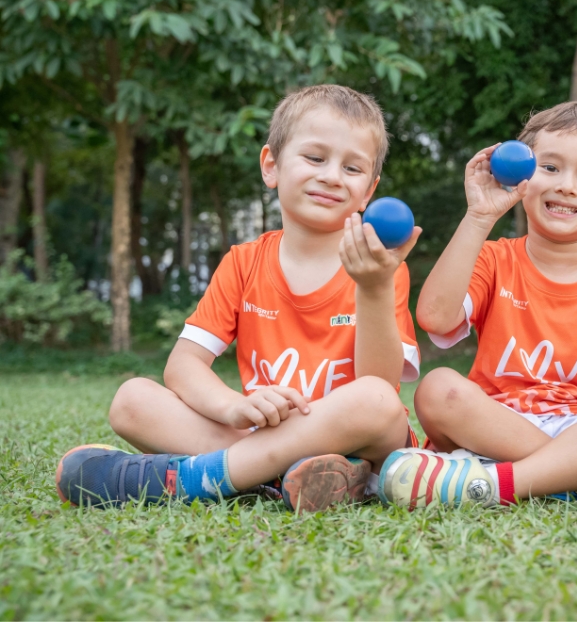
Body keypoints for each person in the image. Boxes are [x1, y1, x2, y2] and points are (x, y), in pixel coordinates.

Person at [56, 85, 422, 513]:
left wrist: (374, 287)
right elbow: (183, 366)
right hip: (259, 437)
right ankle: (292, 478)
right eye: (315, 158)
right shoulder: (244, 262)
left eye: (352, 168)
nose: (332, 176)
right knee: (132, 399)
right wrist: (232, 406)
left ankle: (196, 478)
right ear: (272, 166)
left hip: (363, 442)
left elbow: (380, 383)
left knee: (376, 401)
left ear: (369, 191)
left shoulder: (379, 267)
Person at [377, 101, 577, 509]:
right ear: (520, 176)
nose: (566, 185)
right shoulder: (494, 258)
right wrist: (478, 217)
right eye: (550, 168)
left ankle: (495, 482)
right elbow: (435, 318)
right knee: (436, 389)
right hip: (500, 425)